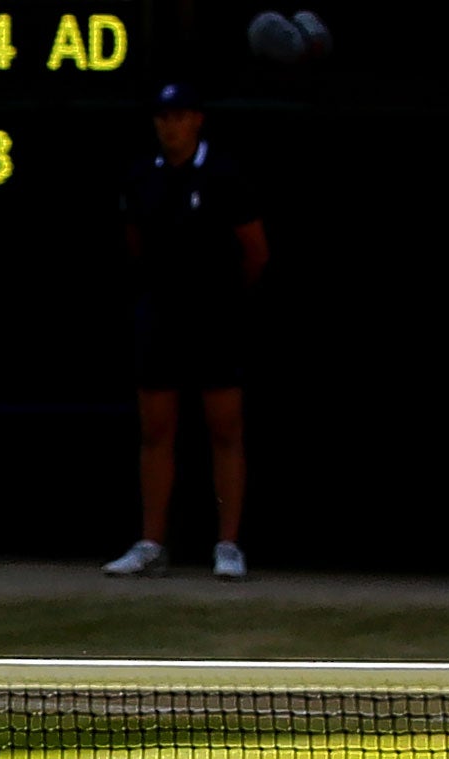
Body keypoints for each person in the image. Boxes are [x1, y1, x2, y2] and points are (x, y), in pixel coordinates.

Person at [102, 82, 269, 582]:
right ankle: (152, 544)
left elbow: (256, 252)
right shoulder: (141, 178)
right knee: (155, 432)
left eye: (177, 116)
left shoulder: (225, 175)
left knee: (226, 432)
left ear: (196, 120)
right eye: (161, 117)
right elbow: (133, 243)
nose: (168, 125)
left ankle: (228, 546)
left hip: (217, 320)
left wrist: (220, 297)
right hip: (160, 321)